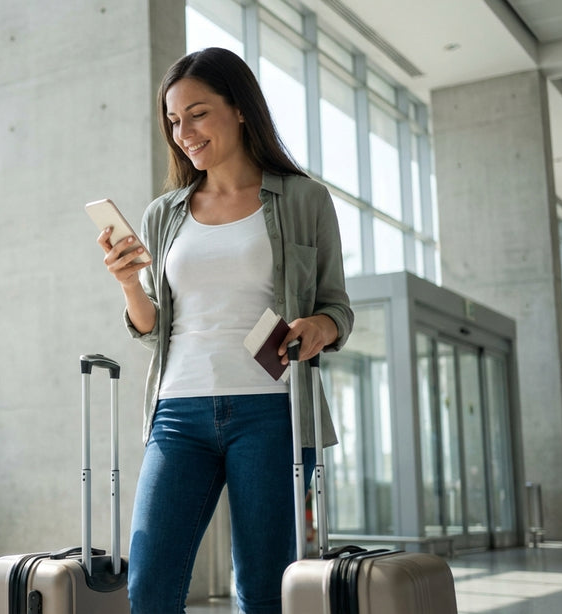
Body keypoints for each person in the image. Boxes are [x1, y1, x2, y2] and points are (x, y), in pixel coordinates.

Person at [95, 47, 353, 614]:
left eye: (198, 113)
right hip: (177, 412)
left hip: (272, 409)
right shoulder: (167, 213)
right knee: (150, 588)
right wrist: (129, 284)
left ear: (239, 109)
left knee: (262, 591)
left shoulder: (304, 198)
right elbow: (151, 328)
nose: (183, 131)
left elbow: (339, 309)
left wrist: (318, 326)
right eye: (173, 119)